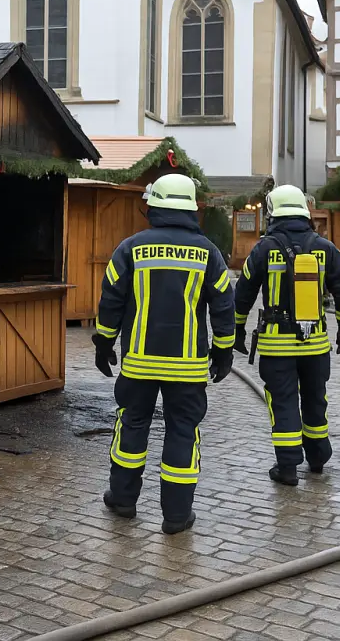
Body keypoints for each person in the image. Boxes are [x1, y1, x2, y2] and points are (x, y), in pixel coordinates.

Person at [92, 172, 235, 535]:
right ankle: (176, 515)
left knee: (132, 425)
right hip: (188, 367)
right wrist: (223, 351)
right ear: (192, 210)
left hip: (139, 363)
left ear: (153, 207)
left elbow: (111, 299)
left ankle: (123, 500)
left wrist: (104, 342)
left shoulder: (130, 248)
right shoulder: (208, 253)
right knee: (183, 431)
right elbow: (223, 305)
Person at [234, 184, 340, 486]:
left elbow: (243, 293)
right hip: (315, 345)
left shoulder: (263, 249)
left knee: (283, 402)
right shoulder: (325, 248)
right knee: (315, 399)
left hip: (277, 349)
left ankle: (287, 467)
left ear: (273, 213)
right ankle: (318, 457)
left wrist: (237, 330)